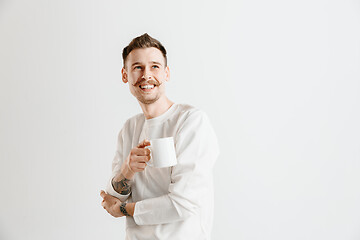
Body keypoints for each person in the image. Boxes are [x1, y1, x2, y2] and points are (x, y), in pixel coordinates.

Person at [100, 33, 219, 240]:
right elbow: (113, 197)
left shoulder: (191, 122)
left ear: (166, 73)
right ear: (125, 75)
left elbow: (183, 204)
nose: (147, 75)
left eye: (155, 66)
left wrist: (125, 209)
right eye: (138, 67)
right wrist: (127, 170)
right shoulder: (129, 129)